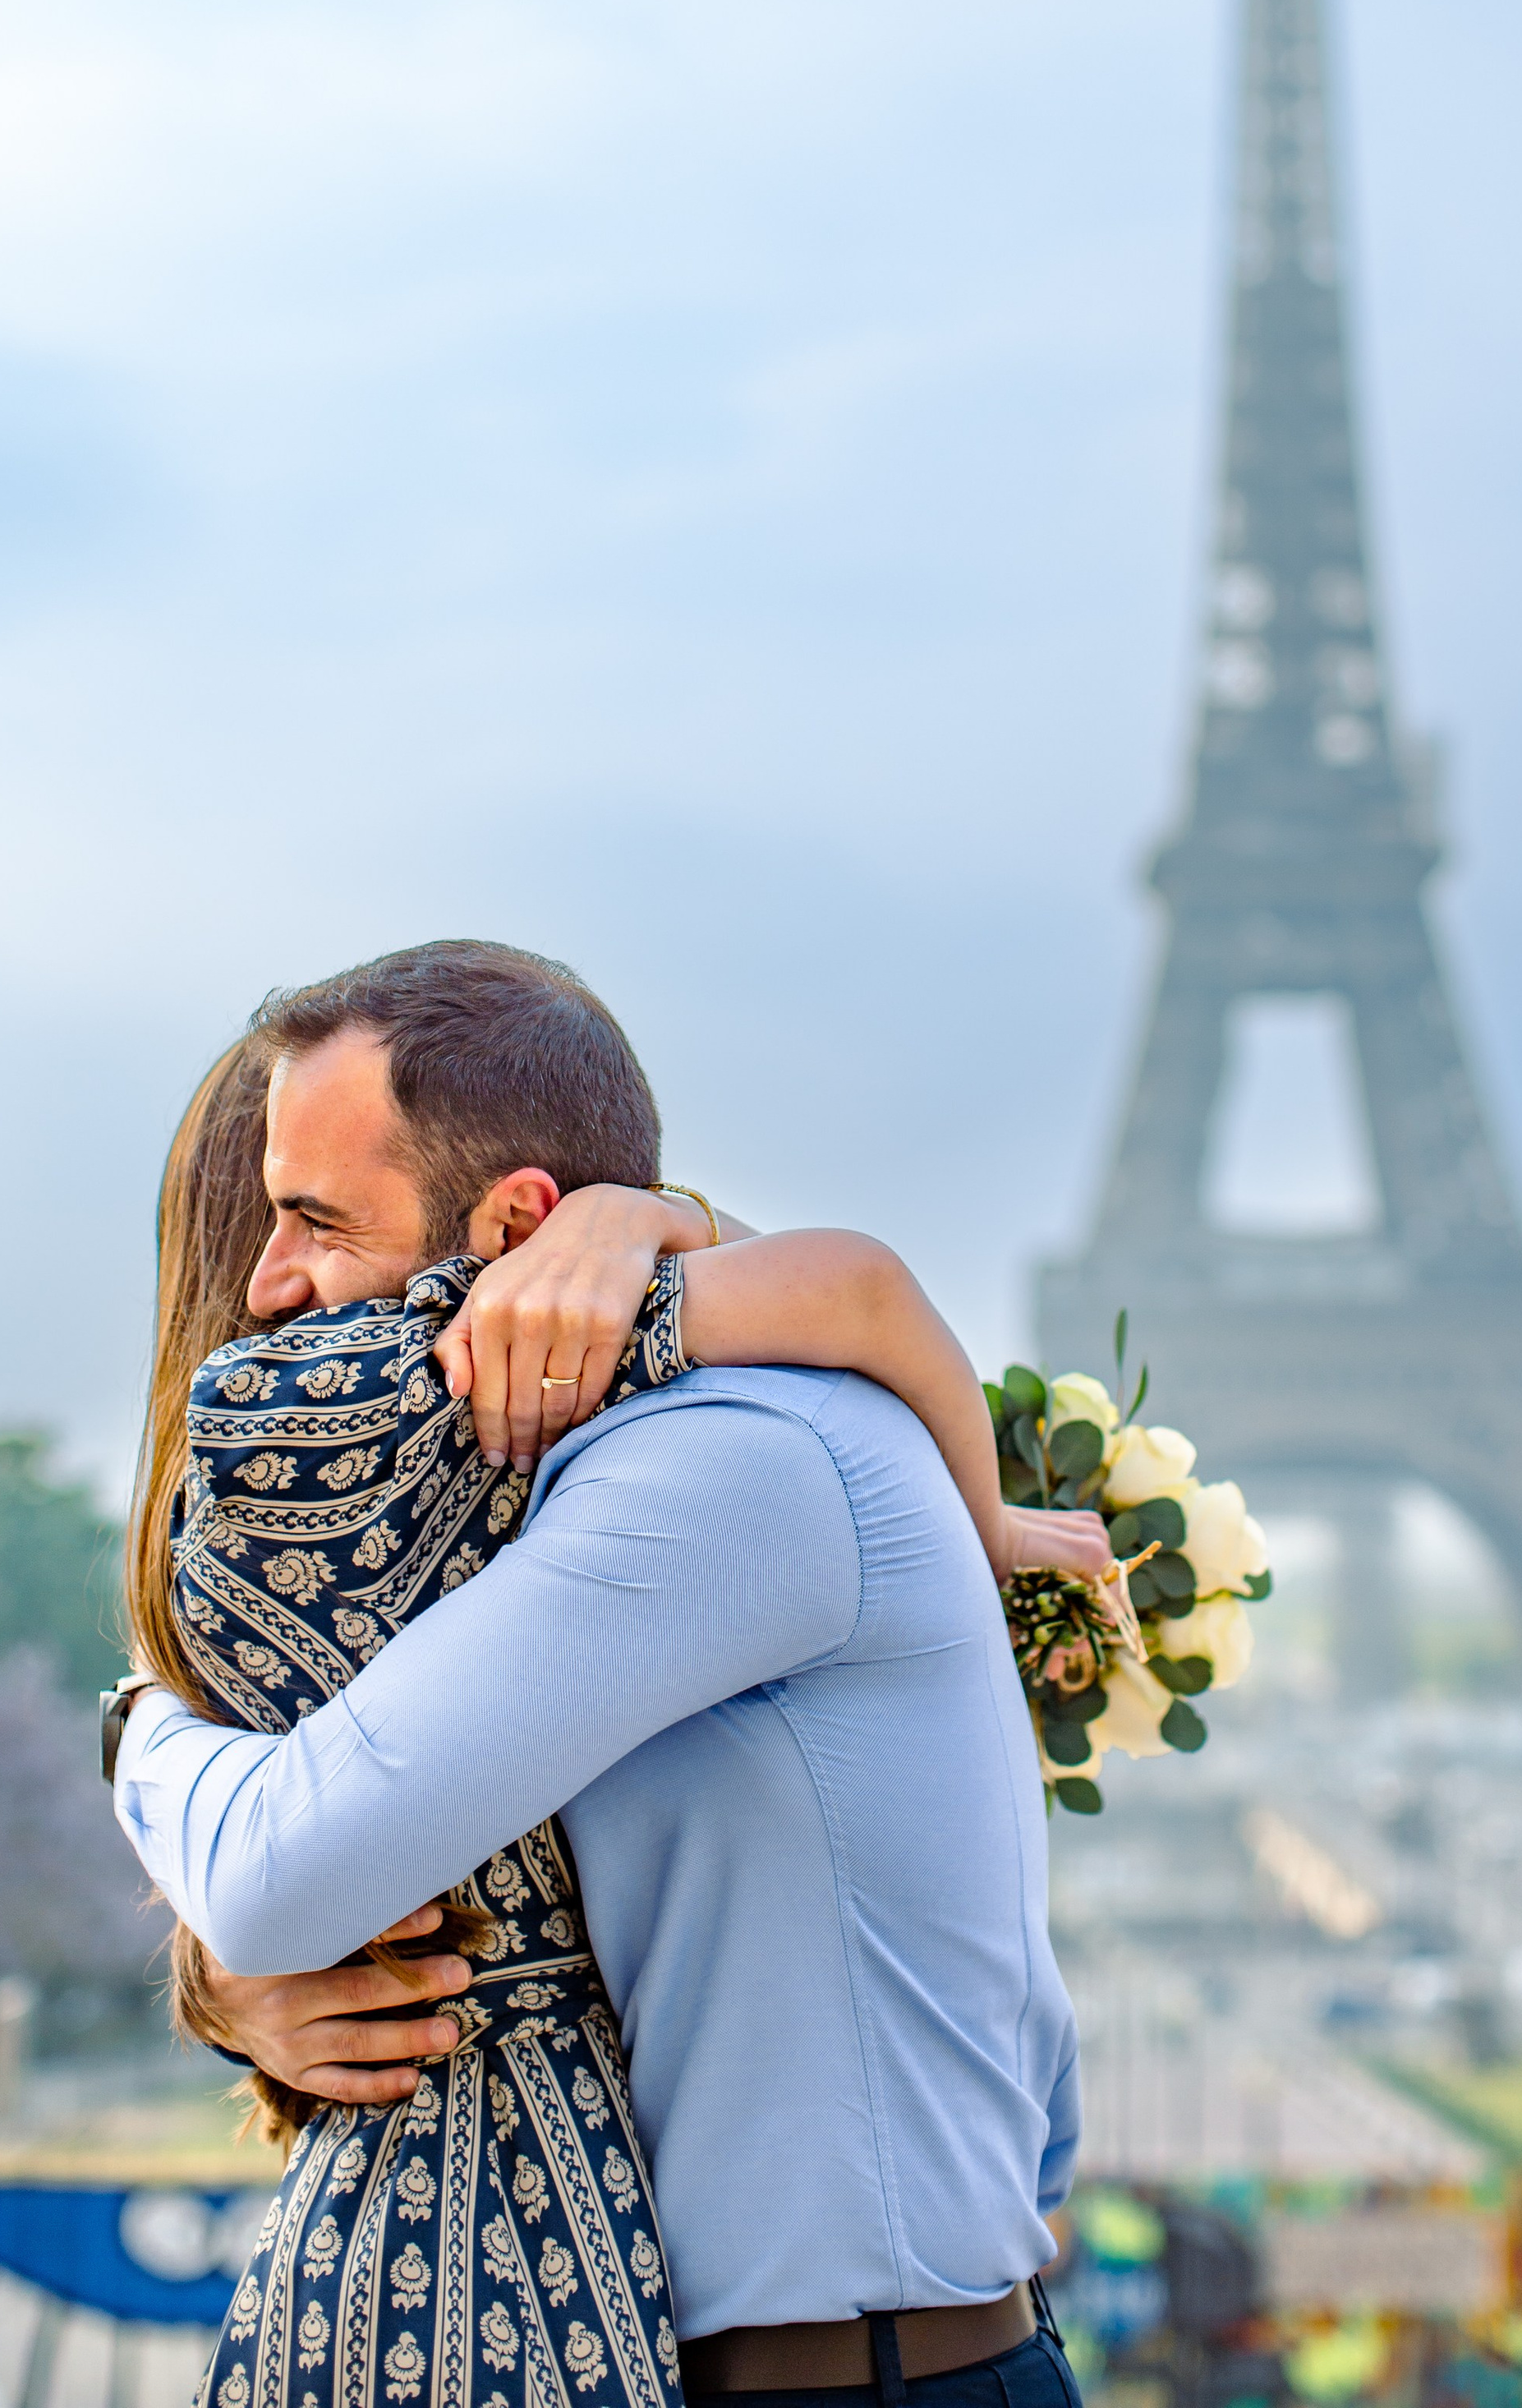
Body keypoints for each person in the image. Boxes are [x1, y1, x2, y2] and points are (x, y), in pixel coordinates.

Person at [117, 942, 1095, 2408]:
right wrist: (231, 1987)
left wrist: (135, 1729)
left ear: (517, 1221)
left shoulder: (720, 1476)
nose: (267, 1295)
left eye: (317, 1219)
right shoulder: (616, 1462)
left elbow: (277, 1869)